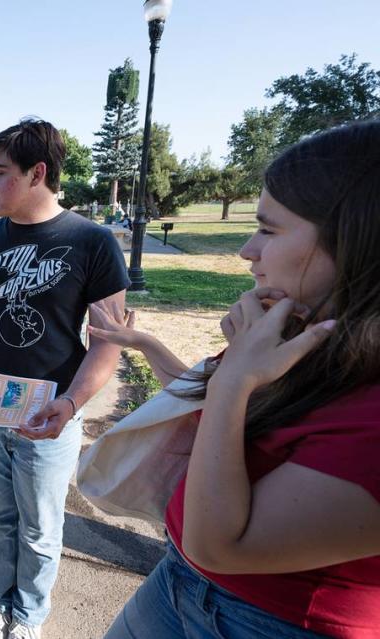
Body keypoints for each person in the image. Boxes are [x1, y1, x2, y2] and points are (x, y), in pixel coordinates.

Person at [92, 121, 380, 638]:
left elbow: (220, 546)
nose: (248, 250)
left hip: (269, 620)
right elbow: (220, 421)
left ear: (358, 238)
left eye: (268, 230)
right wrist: (154, 348)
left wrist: (232, 381)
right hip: (176, 580)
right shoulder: (300, 332)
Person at [0, 118, 130, 639]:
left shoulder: (92, 242)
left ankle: (29, 616)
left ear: (37, 173)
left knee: (42, 527)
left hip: (50, 414)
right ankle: (0, 601)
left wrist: (70, 405)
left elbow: (109, 340)